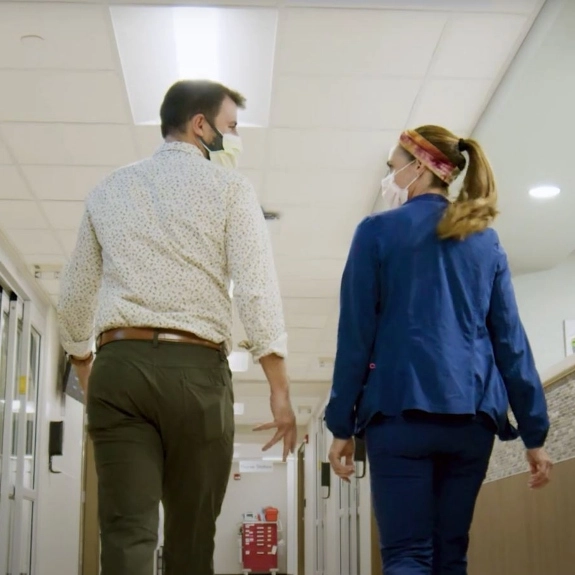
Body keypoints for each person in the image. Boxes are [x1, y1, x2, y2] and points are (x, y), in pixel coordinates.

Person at [57, 80, 297, 575]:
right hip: (197, 374)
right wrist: (278, 389)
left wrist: (84, 362)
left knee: (125, 532)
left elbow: (76, 294)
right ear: (200, 124)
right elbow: (256, 290)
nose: (235, 141)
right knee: (191, 536)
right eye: (231, 128)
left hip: (118, 370)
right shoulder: (231, 190)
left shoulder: (108, 189)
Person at [325, 125, 552, 575]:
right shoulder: (485, 241)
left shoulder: (376, 232)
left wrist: (340, 424)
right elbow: (510, 342)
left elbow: (355, 335)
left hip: (398, 413)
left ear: (420, 168)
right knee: (451, 555)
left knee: (408, 554)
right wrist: (534, 432)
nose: (390, 178)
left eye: (393, 168)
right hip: (470, 420)